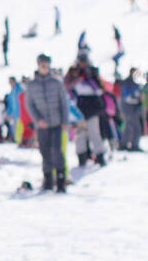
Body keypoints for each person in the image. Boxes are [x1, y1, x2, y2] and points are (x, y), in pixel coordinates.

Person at [24, 55, 72, 192]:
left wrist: (64, 121)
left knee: (57, 151)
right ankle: (48, 180)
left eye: (47, 65)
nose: (45, 68)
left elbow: (64, 103)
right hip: (42, 125)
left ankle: (61, 181)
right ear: (38, 66)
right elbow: (30, 105)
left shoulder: (56, 83)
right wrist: (38, 120)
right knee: (45, 152)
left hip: (56, 123)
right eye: (42, 65)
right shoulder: (32, 85)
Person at [64, 53, 106, 167]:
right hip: (79, 108)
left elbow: (100, 89)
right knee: (80, 134)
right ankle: (82, 156)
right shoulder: (73, 73)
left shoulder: (92, 73)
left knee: (94, 132)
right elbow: (67, 86)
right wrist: (77, 79)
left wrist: (89, 80)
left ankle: (99, 155)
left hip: (92, 107)